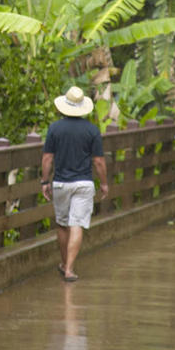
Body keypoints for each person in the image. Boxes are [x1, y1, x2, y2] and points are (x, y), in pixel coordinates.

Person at [41, 85, 108, 282]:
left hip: (61, 183)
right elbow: (98, 161)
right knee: (77, 224)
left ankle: (65, 264)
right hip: (84, 184)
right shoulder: (92, 130)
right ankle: (69, 268)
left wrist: (45, 181)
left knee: (62, 225)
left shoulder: (55, 129)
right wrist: (104, 183)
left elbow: (47, 159)